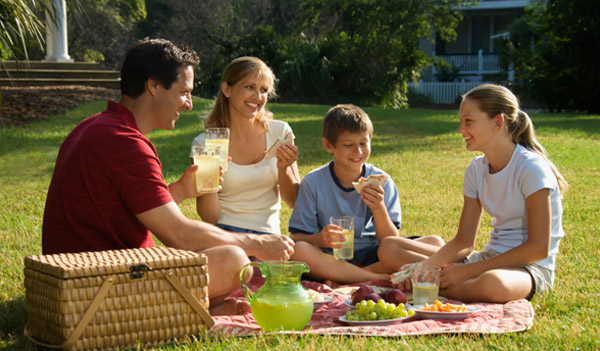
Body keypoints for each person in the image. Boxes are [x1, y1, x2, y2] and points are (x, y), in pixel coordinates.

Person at [42, 38, 295, 315]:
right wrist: (257, 244)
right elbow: (179, 234)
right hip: (96, 286)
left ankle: (194, 308)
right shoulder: (126, 143)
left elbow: (131, 212)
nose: (188, 104)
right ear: (153, 86)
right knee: (234, 259)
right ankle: (180, 311)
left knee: (224, 257)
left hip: (75, 278)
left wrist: (182, 190)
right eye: (184, 92)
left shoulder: (95, 126)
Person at [380, 84, 567, 303]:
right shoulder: (476, 170)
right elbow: (463, 242)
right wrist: (427, 266)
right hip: (489, 259)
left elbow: (538, 249)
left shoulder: (531, 168)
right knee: (390, 248)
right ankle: (434, 281)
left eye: (468, 121)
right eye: (461, 121)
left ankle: (432, 287)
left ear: (497, 122)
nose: (460, 129)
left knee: (493, 285)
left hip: (529, 268)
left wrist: (467, 271)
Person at [288, 104, 444, 284]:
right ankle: (376, 278)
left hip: (373, 255)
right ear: (328, 145)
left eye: (363, 143)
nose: (358, 152)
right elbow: (296, 237)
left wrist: (378, 208)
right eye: (348, 145)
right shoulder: (313, 183)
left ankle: (346, 277)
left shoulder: (381, 181)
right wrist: (319, 239)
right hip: (330, 257)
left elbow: (390, 241)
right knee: (299, 251)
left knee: (435, 242)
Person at [190, 56, 300, 235]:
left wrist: (284, 168)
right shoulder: (205, 143)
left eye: (263, 90)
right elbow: (209, 217)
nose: (257, 97)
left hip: (267, 235)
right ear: (227, 89)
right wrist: (209, 179)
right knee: (238, 259)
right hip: (225, 235)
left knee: (257, 261)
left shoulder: (279, 132)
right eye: (249, 87)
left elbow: (293, 202)